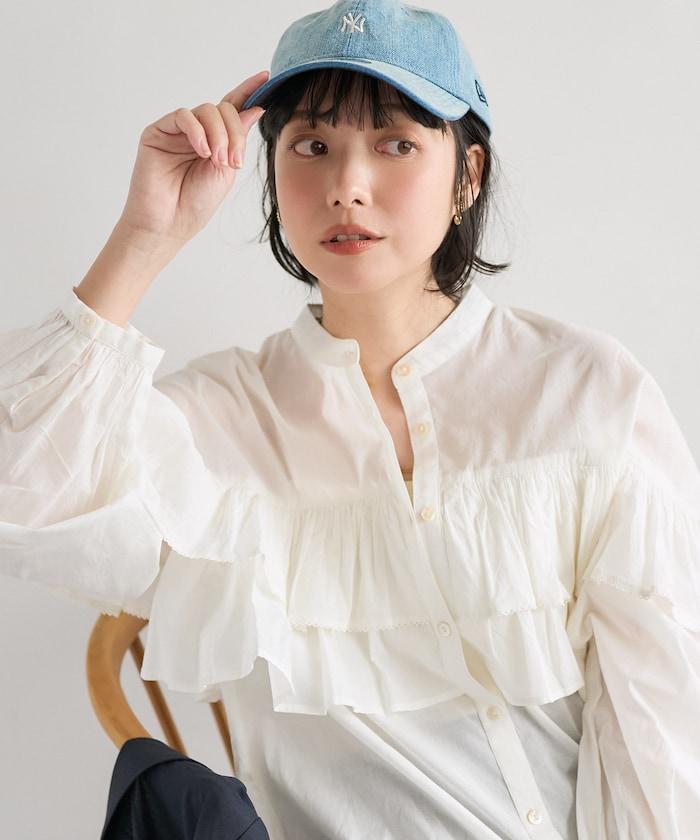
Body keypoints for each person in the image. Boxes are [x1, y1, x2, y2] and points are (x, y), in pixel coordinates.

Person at [1, 0, 699, 837]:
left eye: (396, 143)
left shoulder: (585, 391)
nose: (346, 187)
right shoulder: (219, 422)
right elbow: (23, 488)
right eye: (312, 146)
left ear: (468, 175)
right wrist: (146, 235)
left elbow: (659, 727)